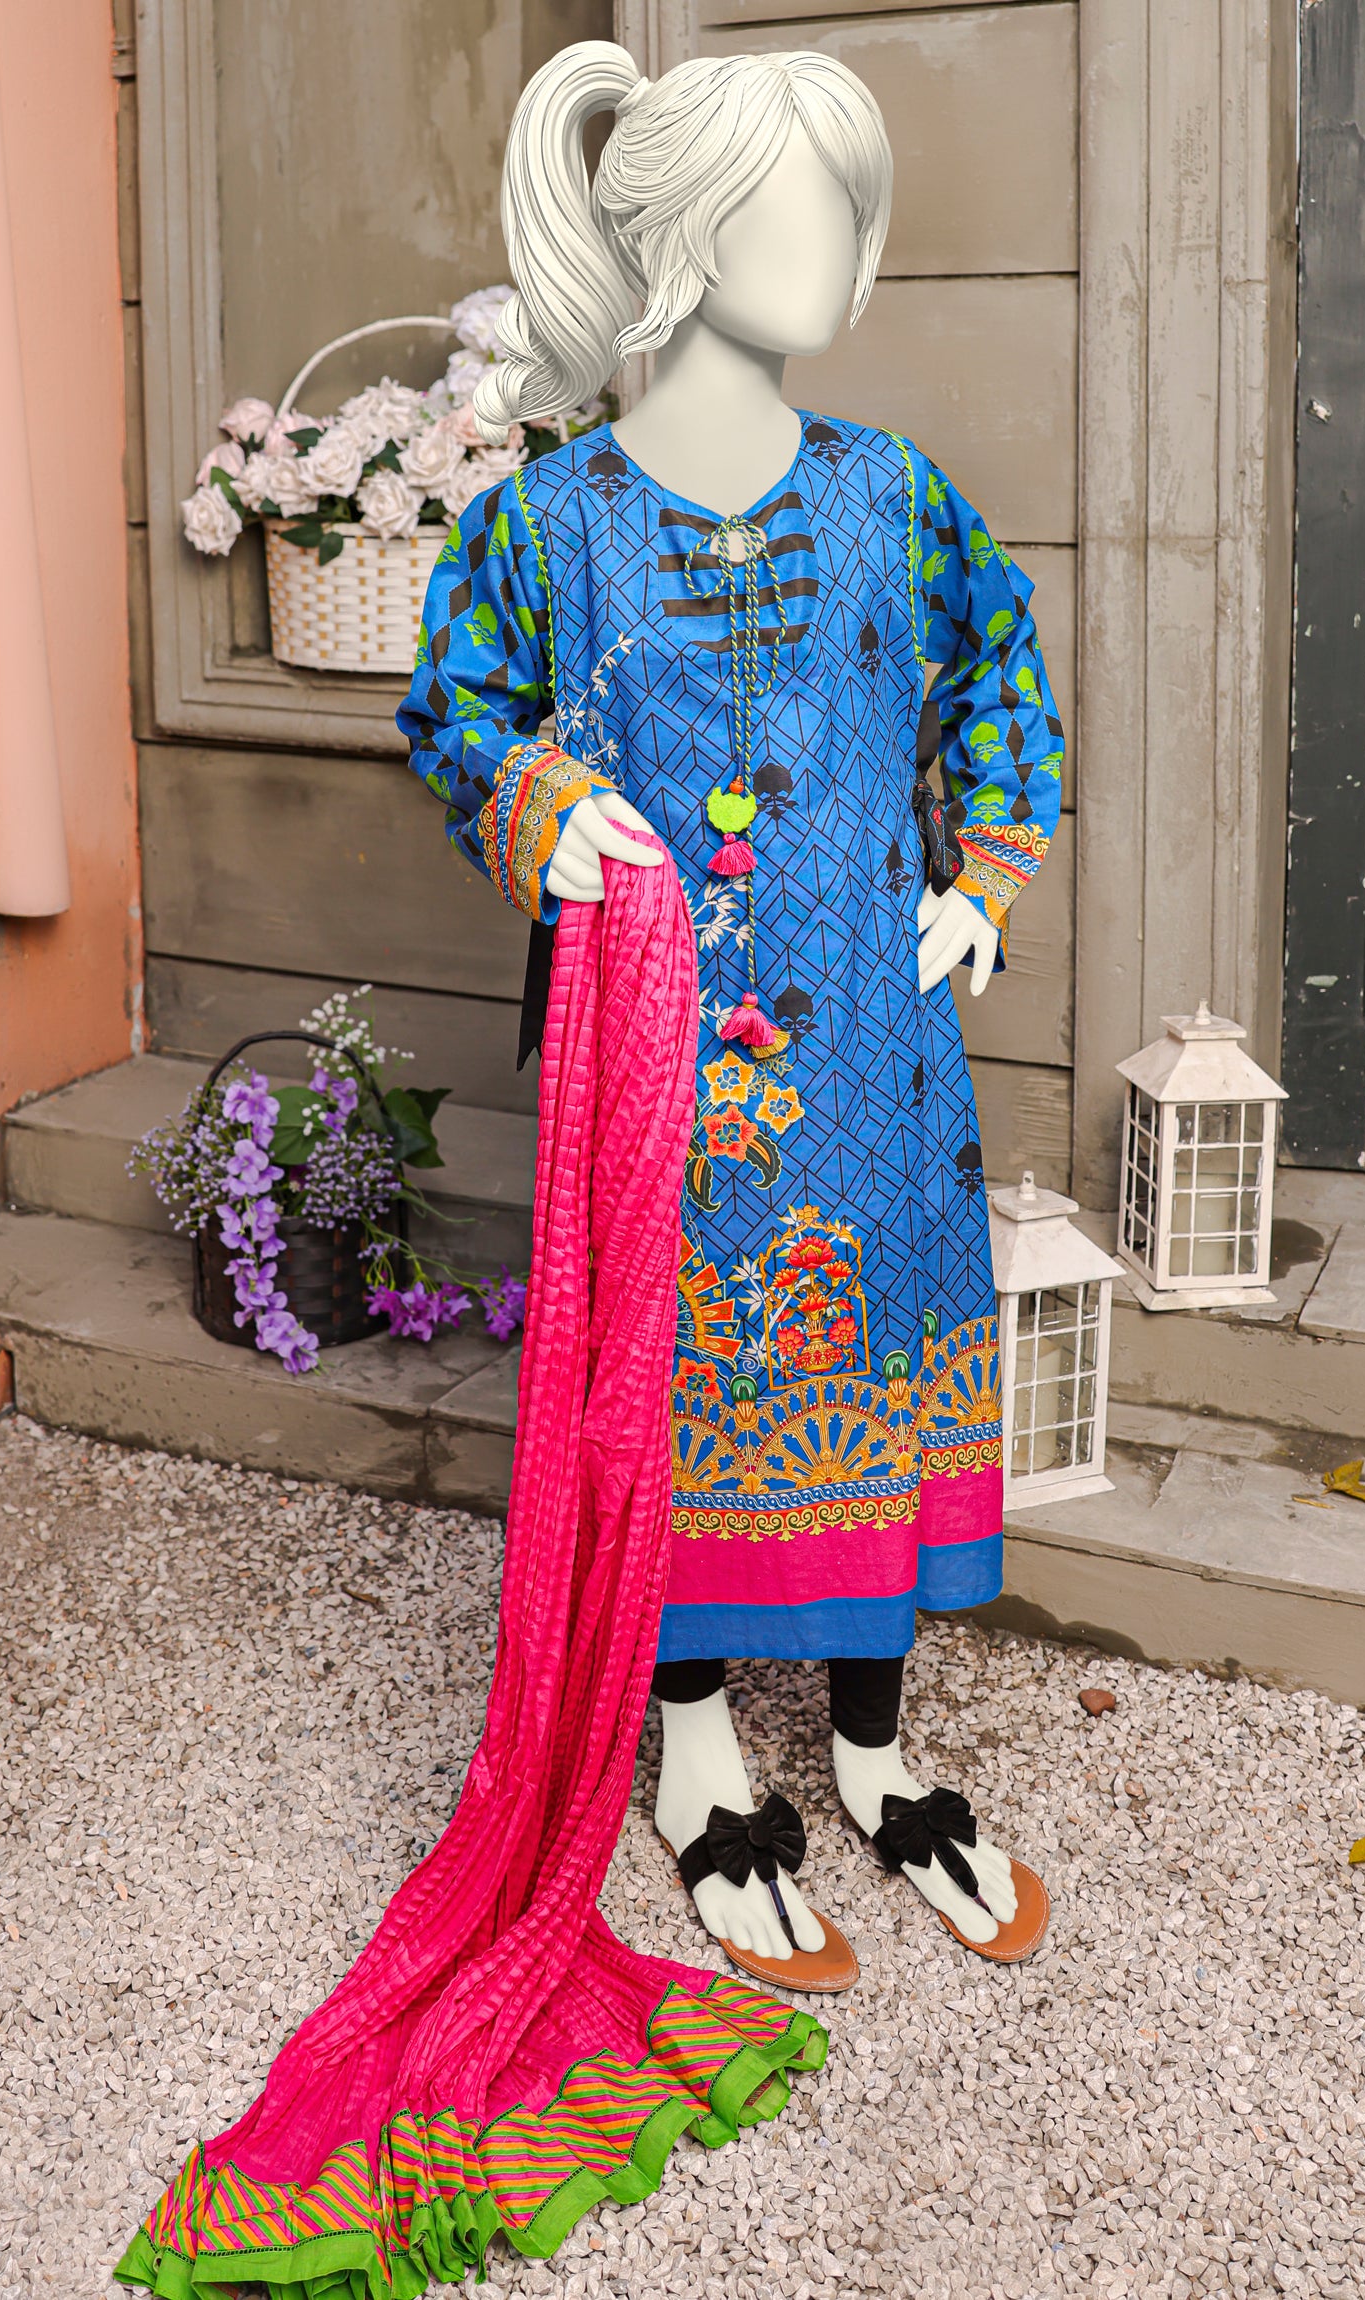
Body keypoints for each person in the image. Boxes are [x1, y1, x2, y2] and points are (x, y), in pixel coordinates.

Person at [399, 39, 1062, 1979]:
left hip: (880, 1052)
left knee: (886, 1352)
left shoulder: (894, 499)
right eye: (805, 211)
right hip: (653, 1061)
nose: (845, 252)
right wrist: (544, 808)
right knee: (669, 1379)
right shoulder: (552, 523)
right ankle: (693, 1752)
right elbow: (455, 706)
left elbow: (999, 672)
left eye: (854, 213)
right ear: (686, 237)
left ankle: (874, 1744)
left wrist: (981, 882)